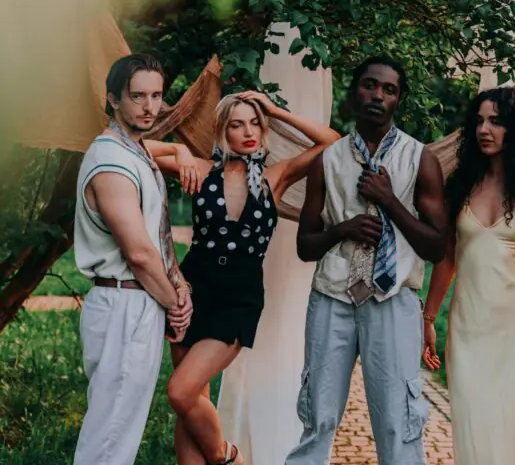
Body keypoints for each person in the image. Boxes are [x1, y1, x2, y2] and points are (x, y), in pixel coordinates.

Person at [146, 89, 339, 464]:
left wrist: (276, 110)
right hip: (191, 290)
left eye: (255, 123)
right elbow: (131, 148)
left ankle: (224, 455)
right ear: (223, 132)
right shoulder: (200, 171)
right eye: (237, 124)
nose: (248, 131)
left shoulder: (274, 177)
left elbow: (332, 142)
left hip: (240, 298)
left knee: (180, 392)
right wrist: (179, 152)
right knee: (192, 402)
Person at [284, 56, 447, 465]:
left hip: (393, 302)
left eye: (388, 90)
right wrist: (343, 229)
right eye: (369, 85)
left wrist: (390, 201)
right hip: (332, 299)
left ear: (397, 100)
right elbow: (305, 246)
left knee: (398, 424)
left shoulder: (420, 159)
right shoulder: (327, 161)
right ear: (354, 91)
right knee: (317, 419)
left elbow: (437, 247)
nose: (377, 95)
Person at [421, 87, 515, 465]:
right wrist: (428, 317)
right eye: (480, 120)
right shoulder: (460, 187)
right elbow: (447, 259)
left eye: (496, 121)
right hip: (468, 330)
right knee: (474, 428)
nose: (485, 129)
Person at [73, 53, 193, 465]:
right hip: (124, 301)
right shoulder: (110, 161)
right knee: (108, 441)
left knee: (119, 433)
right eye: (137, 96)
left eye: (156, 95)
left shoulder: (134, 150)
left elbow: (156, 241)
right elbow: (140, 254)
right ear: (113, 100)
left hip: (139, 301)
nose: (149, 106)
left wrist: (180, 285)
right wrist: (175, 302)